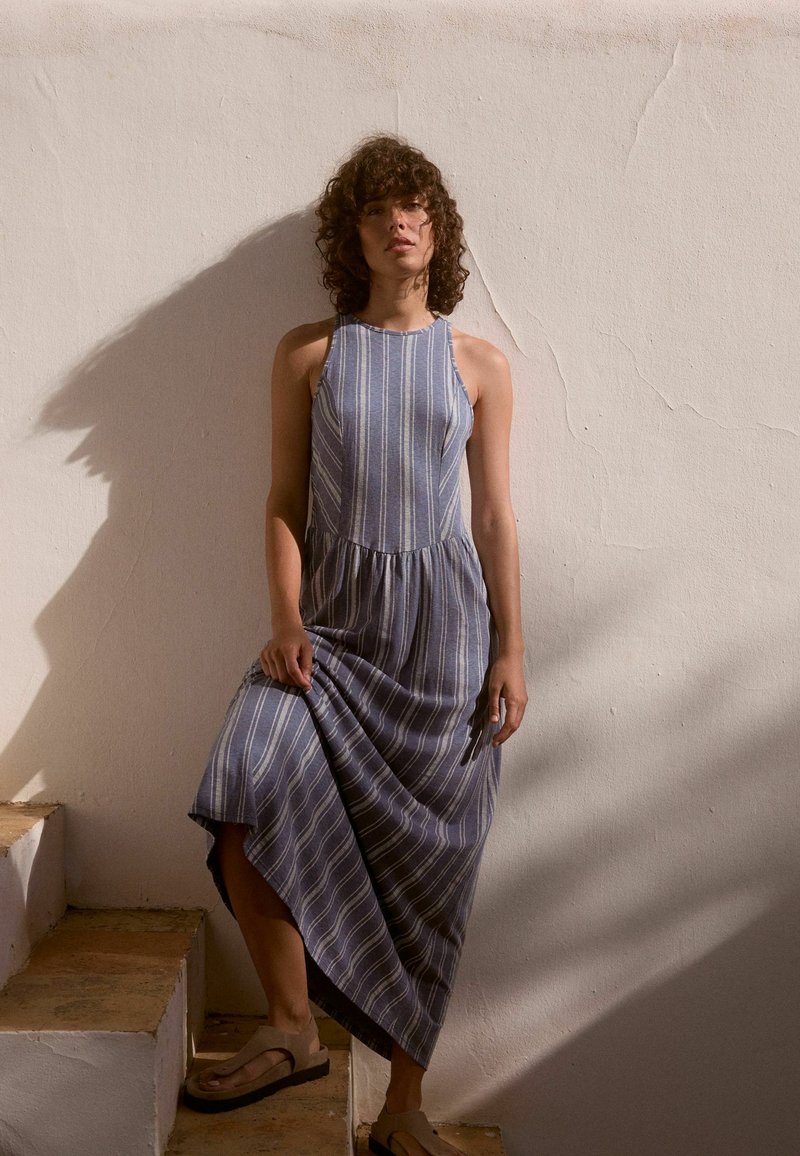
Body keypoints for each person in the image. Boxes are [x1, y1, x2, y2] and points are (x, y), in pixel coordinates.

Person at [185, 133, 527, 1156]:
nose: (397, 222)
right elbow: (284, 500)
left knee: (429, 875)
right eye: (377, 209)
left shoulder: (477, 364)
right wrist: (285, 620)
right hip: (331, 636)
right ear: (354, 235)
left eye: (414, 205)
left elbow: (493, 516)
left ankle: (402, 1106)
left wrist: (511, 648)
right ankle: (292, 1027)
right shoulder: (310, 354)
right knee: (247, 777)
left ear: (438, 229)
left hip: (445, 650)